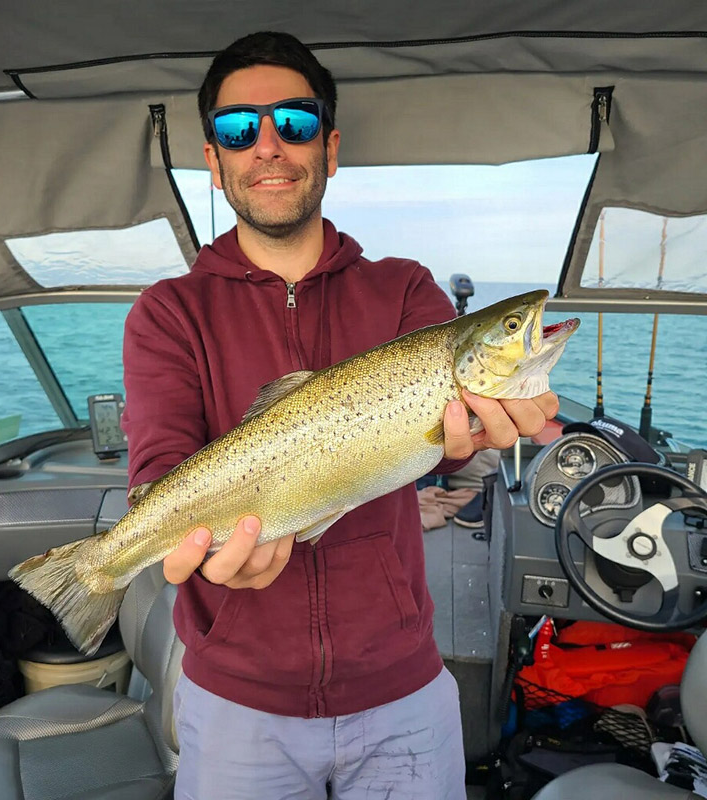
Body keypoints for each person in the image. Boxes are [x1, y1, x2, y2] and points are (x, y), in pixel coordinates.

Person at [121, 30, 557, 800]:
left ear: (329, 145)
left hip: (403, 691)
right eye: (237, 129)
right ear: (214, 162)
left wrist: (487, 434)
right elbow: (159, 468)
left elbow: (444, 451)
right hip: (234, 704)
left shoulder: (405, 291)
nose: (268, 147)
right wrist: (157, 546)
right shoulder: (168, 313)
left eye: (294, 122)